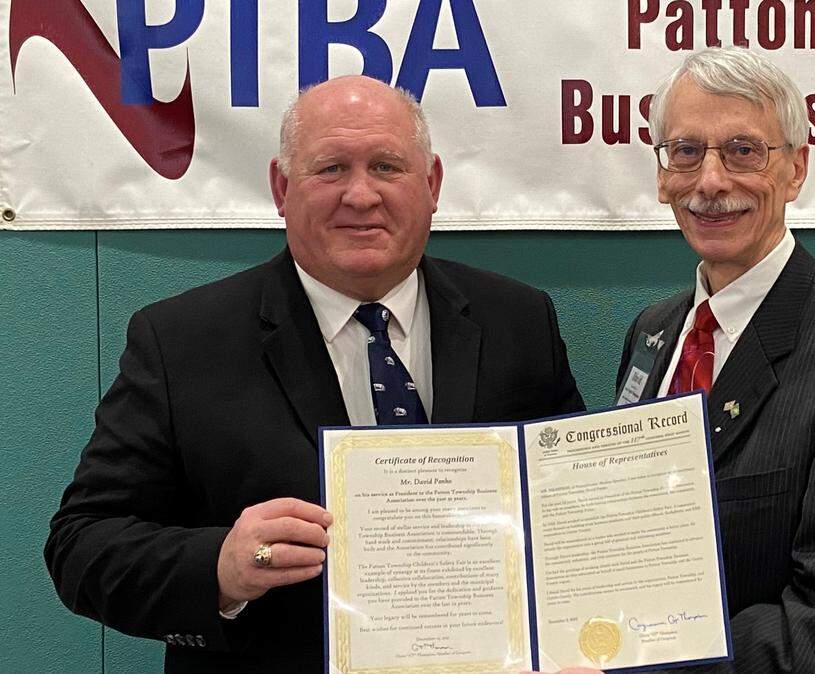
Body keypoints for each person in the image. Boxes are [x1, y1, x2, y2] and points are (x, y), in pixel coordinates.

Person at [46, 75, 584, 672]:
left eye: (387, 166)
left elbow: (574, 512)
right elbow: (80, 547)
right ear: (281, 187)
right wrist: (220, 568)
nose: (360, 195)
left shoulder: (518, 320)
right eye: (330, 169)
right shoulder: (181, 342)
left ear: (431, 184)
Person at [614, 47, 815, 672]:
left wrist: (652, 662)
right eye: (685, 151)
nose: (710, 182)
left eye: (743, 150)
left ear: (795, 169)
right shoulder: (652, 333)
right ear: (660, 174)